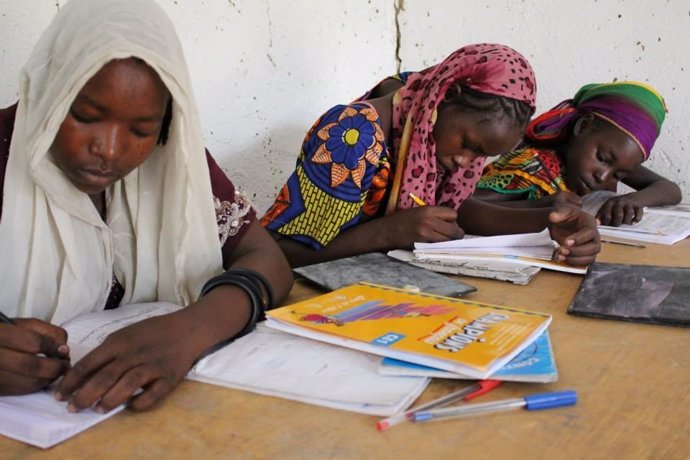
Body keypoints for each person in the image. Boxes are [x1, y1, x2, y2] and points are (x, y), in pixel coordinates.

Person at [0, 0, 292, 413]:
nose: (109, 149)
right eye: (85, 115)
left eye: (141, 128)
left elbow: (266, 257)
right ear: (51, 89)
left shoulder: (172, 160)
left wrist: (194, 327)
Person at [261, 44, 600, 268]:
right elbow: (277, 251)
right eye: (467, 144)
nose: (466, 163)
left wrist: (549, 224)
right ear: (446, 96)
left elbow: (453, 213)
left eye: (481, 156)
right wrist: (388, 233)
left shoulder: (431, 125)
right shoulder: (354, 136)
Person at [474, 81, 682, 226]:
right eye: (602, 159)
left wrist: (633, 201)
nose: (603, 177)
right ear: (583, 126)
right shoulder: (530, 164)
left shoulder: (613, 163)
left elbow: (670, 190)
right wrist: (541, 205)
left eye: (618, 175)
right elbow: (465, 206)